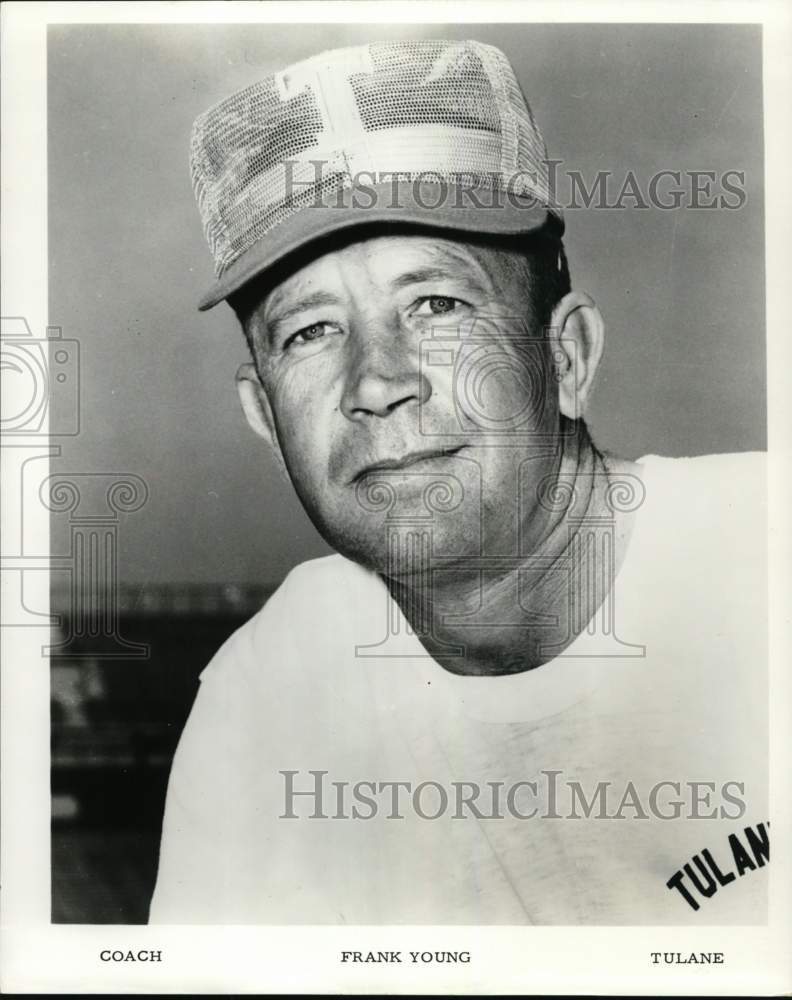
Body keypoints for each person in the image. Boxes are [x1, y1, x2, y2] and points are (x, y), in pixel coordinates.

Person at [150, 39, 768, 924]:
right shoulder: (272, 692)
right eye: (311, 332)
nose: (376, 382)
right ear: (264, 415)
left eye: (436, 305)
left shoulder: (764, 562)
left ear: (567, 356)